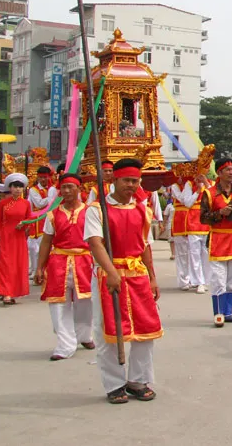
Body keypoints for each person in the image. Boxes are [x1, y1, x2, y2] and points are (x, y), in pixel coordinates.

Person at [84, 158, 162, 404]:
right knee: (109, 331)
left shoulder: (143, 209)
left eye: (135, 181)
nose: (131, 185)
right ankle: (114, 384)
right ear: (114, 180)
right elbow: (95, 244)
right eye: (126, 180)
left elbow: (146, 245)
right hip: (110, 275)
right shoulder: (96, 210)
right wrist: (111, 272)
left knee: (146, 329)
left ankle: (138, 380)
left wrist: (152, 277)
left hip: (137, 274)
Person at [34, 173, 94, 361]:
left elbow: (99, 241)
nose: (66, 191)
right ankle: (65, 345)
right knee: (59, 305)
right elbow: (46, 242)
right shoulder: (53, 214)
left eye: (71, 187)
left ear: (80, 189)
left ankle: (84, 335)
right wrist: (39, 267)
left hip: (84, 262)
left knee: (86, 303)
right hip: (59, 263)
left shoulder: (91, 211)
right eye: (63, 187)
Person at [200, 157, 232, 326]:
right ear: (219, 172)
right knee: (218, 279)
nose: (231, 172)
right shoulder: (209, 193)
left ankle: (228, 312)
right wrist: (220, 213)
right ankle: (219, 313)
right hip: (218, 238)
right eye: (228, 170)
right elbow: (203, 218)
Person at [0, 173, 32, 305]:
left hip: (19, 238)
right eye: (15, 187)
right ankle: (6, 292)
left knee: (18, 265)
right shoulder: (3, 204)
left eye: (20, 187)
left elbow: (29, 218)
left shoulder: (26, 203)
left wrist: (24, 223)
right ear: (10, 188)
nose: (18, 189)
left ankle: (14, 291)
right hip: (6, 236)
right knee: (6, 265)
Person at [170, 175, 210, 294]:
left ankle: (203, 280)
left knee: (205, 252)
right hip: (188, 220)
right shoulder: (185, 185)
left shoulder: (210, 183)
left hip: (204, 220)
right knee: (188, 253)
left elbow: (213, 196)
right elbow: (186, 201)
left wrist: (206, 184)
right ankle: (190, 280)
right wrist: (197, 190)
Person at [28, 166, 58, 277]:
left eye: (45, 177)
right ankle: (37, 270)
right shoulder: (33, 190)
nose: (43, 180)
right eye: (41, 177)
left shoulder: (52, 188)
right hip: (38, 220)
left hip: (50, 218)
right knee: (37, 247)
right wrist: (51, 199)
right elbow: (39, 203)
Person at [162, 195, 175, 260]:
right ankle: (173, 254)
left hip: (180, 224)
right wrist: (163, 225)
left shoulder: (183, 204)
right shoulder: (169, 206)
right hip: (171, 224)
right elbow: (165, 216)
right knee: (171, 240)